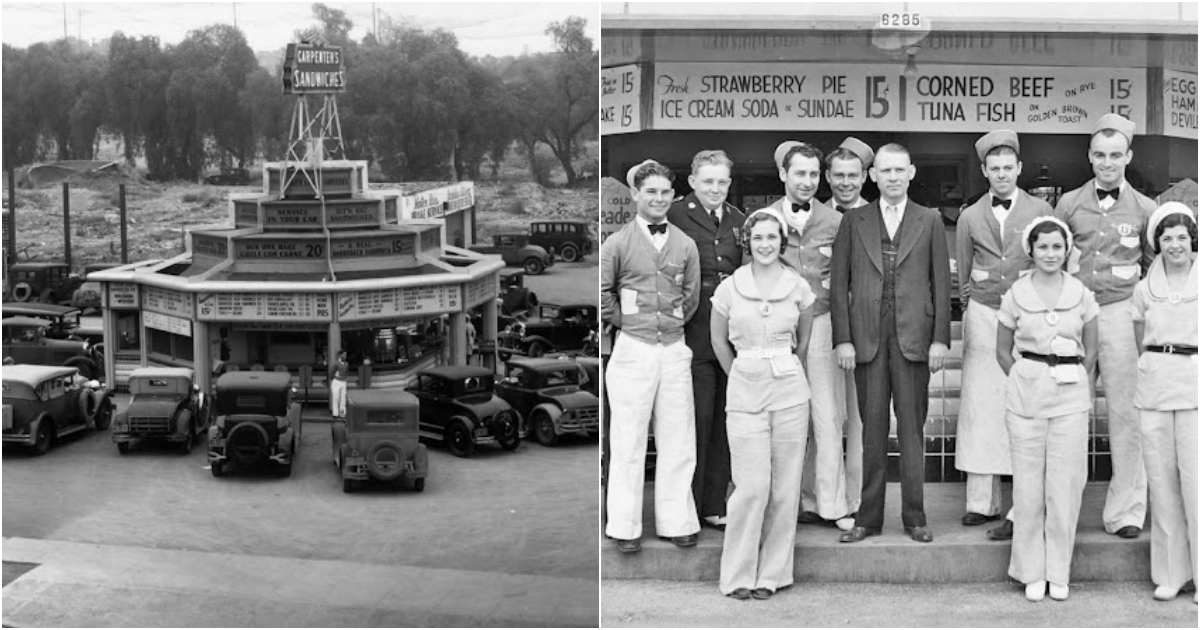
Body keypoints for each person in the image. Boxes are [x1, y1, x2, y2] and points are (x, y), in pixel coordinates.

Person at [831, 142, 951, 544]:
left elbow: (940, 282)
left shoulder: (930, 219)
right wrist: (843, 339)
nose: (893, 177)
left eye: (900, 170)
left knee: (914, 430)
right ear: (873, 176)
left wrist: (940, 341)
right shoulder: (855, 220)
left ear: (911, 173)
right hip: (867, 338)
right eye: (886, 171)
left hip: (914, 338)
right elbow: (839, 285)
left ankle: (915, 517)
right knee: (871, 431)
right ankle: (868, 518)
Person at [1053, 112, 1156, 539]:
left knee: (1126, 415)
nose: (1107, 163)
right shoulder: (1070, 203)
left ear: (1128, 157)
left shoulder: (1146, 209)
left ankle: (1126, 512)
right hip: (1076, 314)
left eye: (1116, 155)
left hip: (1120, 313)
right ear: (1089, 157)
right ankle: (1061, 512)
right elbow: (1052, 258)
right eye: (1100, 155)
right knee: (1067, 414)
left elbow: (1153, 270)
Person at [710, 207, 814, 600]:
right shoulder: (729, 288)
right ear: (747, 242)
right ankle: (737, 575)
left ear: (781, 242)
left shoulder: (798, 286)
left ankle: (772, 575)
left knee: (786, 489)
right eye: (757, 238)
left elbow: (803, 340)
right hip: (745, 392)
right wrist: (742, 371)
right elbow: (719, 340)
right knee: (752, 486)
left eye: (772, 238)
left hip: (790, 394)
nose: (765, 244)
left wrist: (786, 368)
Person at [955, 130, 1053, 538]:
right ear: (983, 171)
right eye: (993, 169)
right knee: (981, 406)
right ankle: (981, 501)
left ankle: (1025, 503)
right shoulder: (969, 215)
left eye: (1007, 168)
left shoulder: (1041, 208)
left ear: (1019, 169)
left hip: (1028, 314)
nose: (1001, 175)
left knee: (1026, 402)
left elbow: (1053, 259)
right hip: (983, 313)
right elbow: (962, 270)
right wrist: (974, 306)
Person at [995, 216, 1099, 602]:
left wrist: (1075, 379)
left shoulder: (1082, 294)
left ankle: (1059, 571)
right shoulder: (1015, 294)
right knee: (1027, 488)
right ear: (1031, 251)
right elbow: (1002, 351)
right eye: (1043, 247)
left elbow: (1092, 348)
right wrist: (1026, 375)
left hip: (1069, 400)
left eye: (1057, 246)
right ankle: (1030, 571)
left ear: (1067, 249)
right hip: (1026, 398)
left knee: (1064, 487)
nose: (1050, 253)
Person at [601, 159, 702, 553]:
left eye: (665, 193)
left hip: (674, 348)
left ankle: (677, 522)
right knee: (628, 440)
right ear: (635, 196)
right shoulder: (618, 243)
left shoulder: (685, 244)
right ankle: (624, 527)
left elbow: (690, 297)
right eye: (651, 192)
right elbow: (602, 291)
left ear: (673, 196)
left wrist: (671, 326)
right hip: (633, 349)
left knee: (678, 438)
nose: (659, 199)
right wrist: (624, 321)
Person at [762, 141, 854, 531]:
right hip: (777, 332)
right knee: (782, 418)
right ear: (784, 174)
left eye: (814, 174)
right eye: (799, 173)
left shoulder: (837, 222)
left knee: (828, 416)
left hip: (823, 322)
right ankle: (785, 503)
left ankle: (832, 504)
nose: (807, 181)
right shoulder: (763, 220)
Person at [667, 149, 745, 532]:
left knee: (724, 424)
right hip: (692, 335)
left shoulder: (738, 221)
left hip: (730, 339)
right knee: (695, 422)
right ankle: (688, 507)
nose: (715, 188)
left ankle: (714, 504)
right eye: (708, 181)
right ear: (692, 182)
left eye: (722, 182)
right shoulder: (674, 215)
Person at [1132, 202, 1197, 602]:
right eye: (1167, 238)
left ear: (1193, 241)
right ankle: (1171, 573)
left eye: (1182, 238)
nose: (1175, 245)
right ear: (1157, 243)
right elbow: (1139, 333)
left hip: (1194, 386)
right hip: (1156, 385)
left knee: (1197, 482)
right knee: (1162, 482)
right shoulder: (1144, 288)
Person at [329, 349, 349, 420]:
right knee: (336, 397)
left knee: (343, 398)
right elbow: (331, 373)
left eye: (346, 355)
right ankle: (335, 413)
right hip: (336, 381)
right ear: (340, 355)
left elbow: (347, 372)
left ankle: (342, 413)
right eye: (344, 354)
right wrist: (334, 379)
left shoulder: (346, 364)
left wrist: (345, 378)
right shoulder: (336, 364)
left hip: (343, 381)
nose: (345, 356)